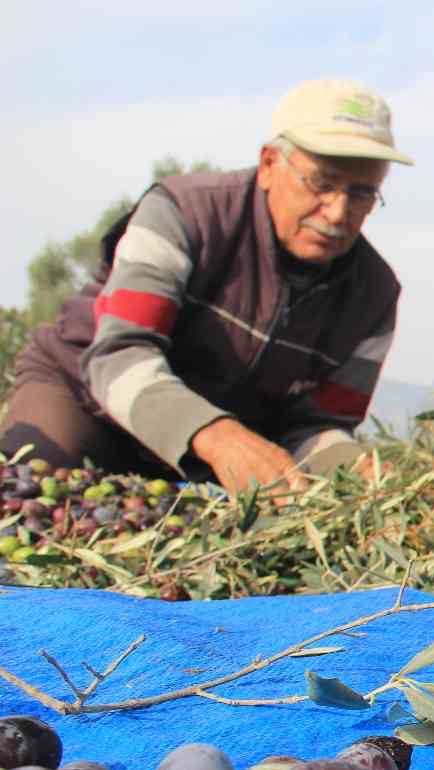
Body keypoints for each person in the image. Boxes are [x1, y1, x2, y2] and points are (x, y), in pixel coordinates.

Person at [0, 79, 413, 495]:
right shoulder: (183, 214)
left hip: (214, 450)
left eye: (362, 194)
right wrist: (215, 434)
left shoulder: (374, 296)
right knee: (28, 502)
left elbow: (318, 424)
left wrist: (358, 472)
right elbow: (120, 355)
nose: (338, 212)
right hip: (87, 401)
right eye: (322, 183)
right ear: (269, 164)